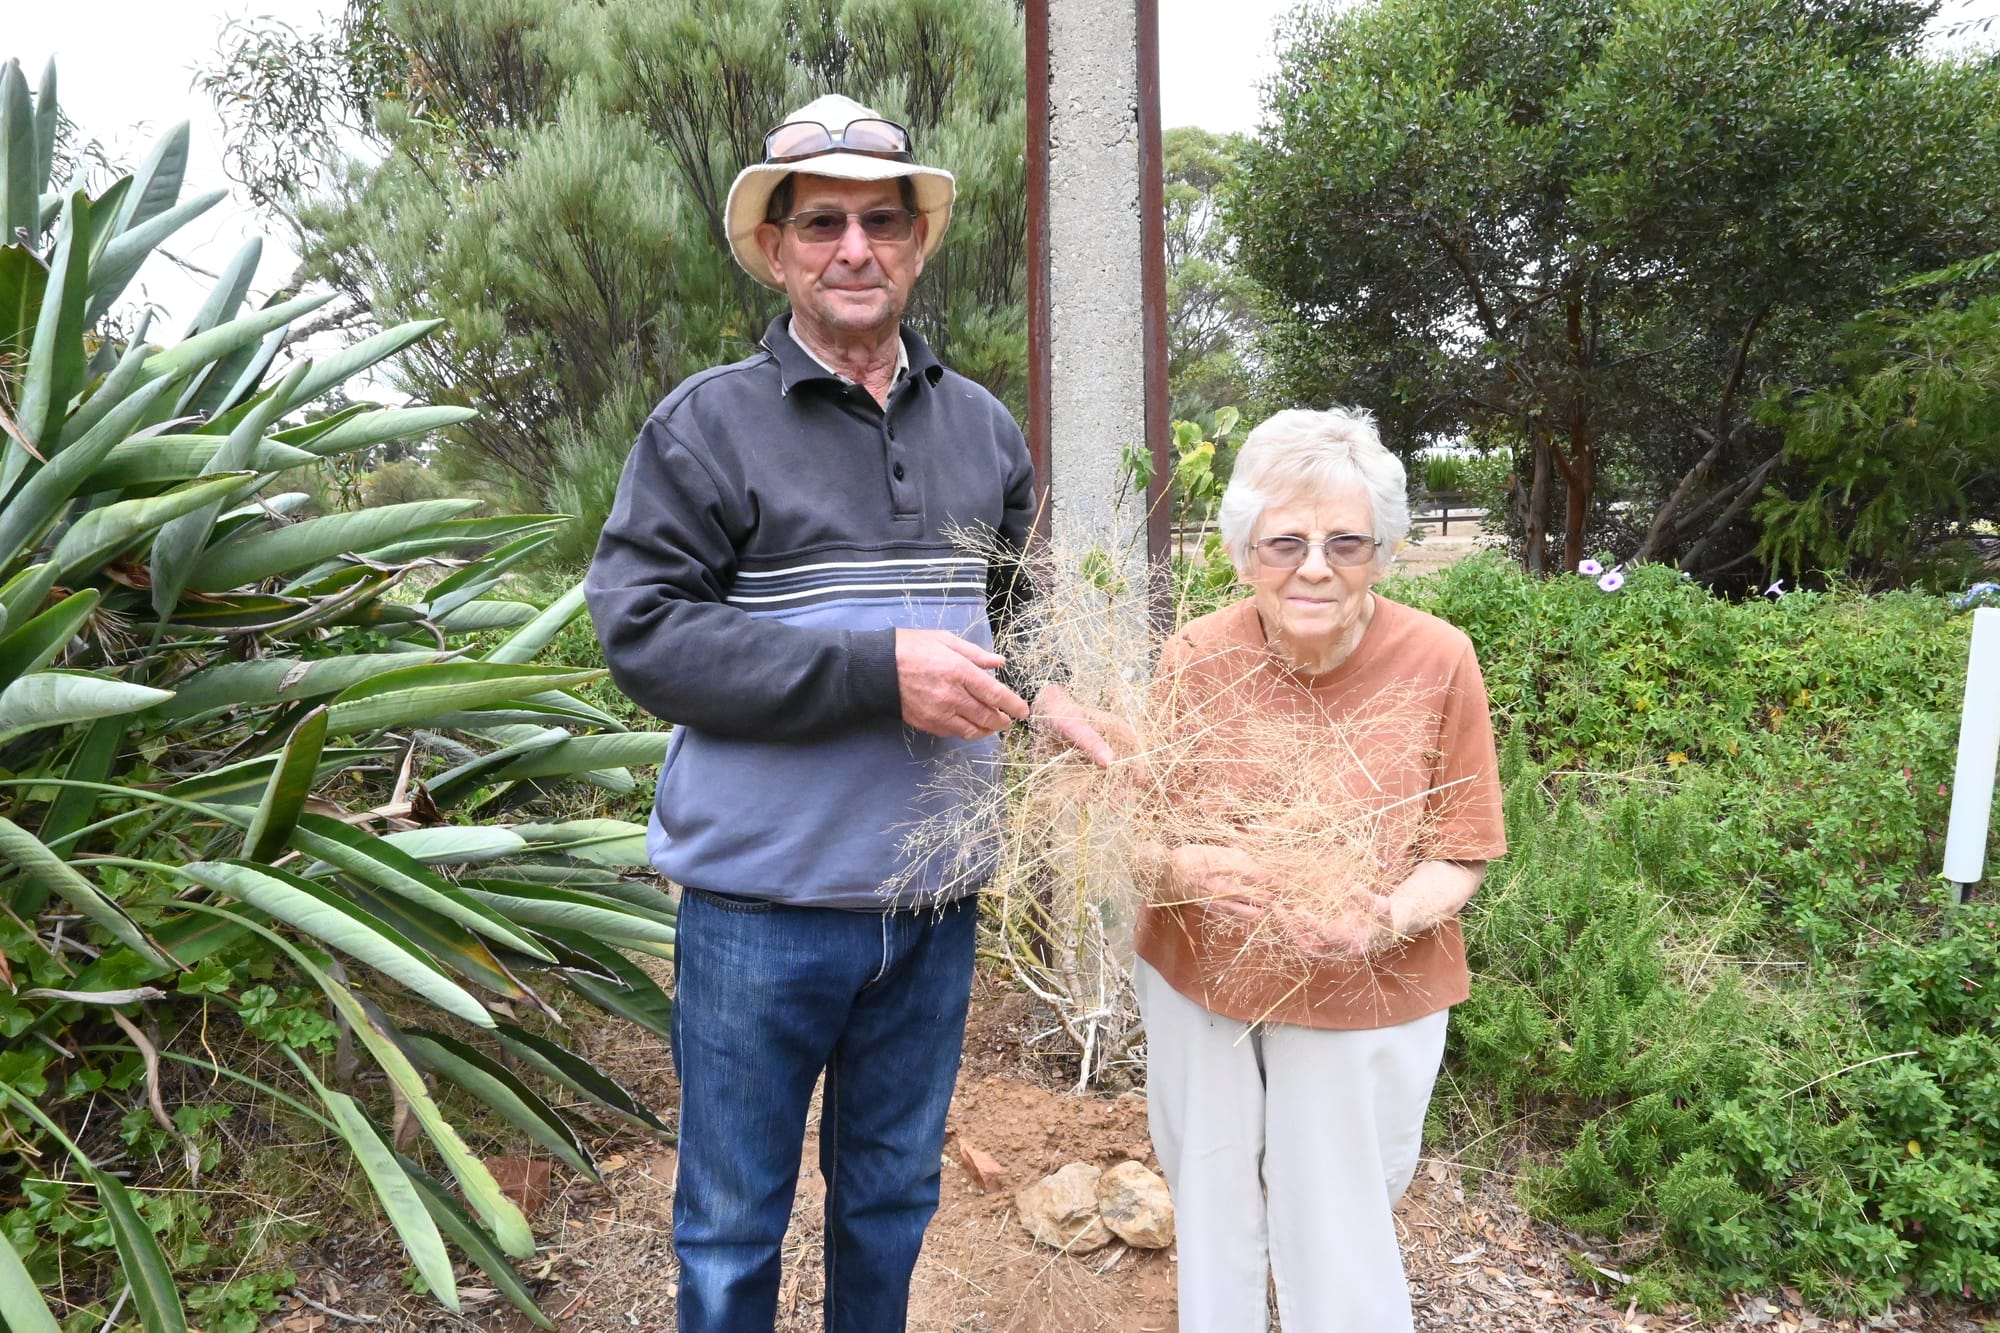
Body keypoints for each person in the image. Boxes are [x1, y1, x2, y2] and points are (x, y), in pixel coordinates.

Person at [585, 94, 1111, 1333]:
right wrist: (876, 673)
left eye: (881, 219)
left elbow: (1008, 623)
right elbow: (644, 634)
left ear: (918, 243)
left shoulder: (979, 426)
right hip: (760, 914)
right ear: (774, 249)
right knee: (729, 1225)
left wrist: (1054, 703)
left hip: (930, 910)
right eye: (820, 221)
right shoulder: (703, 427)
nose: (853, 248)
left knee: (888, 1199)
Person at [1130, 407, 1508, 1331]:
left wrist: (1378, 919)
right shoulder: (1195, 655)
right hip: (1202, 985)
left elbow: (1460, 852)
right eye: (1285, 541)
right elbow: (1135, 840)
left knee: (1341, 1231)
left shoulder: (1439, 660)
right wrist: (1181, 866)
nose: (1313, 566)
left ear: (1382, 552)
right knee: (1214, 1212)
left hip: (1362, 982)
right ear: (1240, 550)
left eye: (1346, 542)